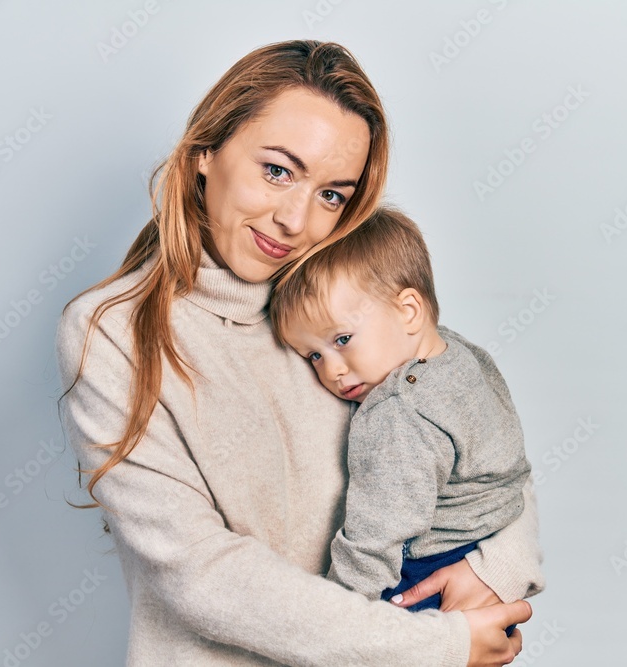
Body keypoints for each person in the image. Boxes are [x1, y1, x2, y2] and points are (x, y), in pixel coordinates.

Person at [55, 39, 543, 666]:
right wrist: (433, 646)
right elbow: (202, 576)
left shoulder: (332, 294)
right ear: (206, 152)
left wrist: (498, 567)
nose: (294, 220)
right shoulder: (112, 333)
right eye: (277, 170)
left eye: (331, 194)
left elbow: (478, 439)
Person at [268, 207, 535, 638]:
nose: (332, 370)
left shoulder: (397, 412)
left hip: (424, 576)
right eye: (314, 355)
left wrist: (335, 622)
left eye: (341, 340)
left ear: (409, 310)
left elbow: (375, 537)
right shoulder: (462, 354)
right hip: (487, 552)